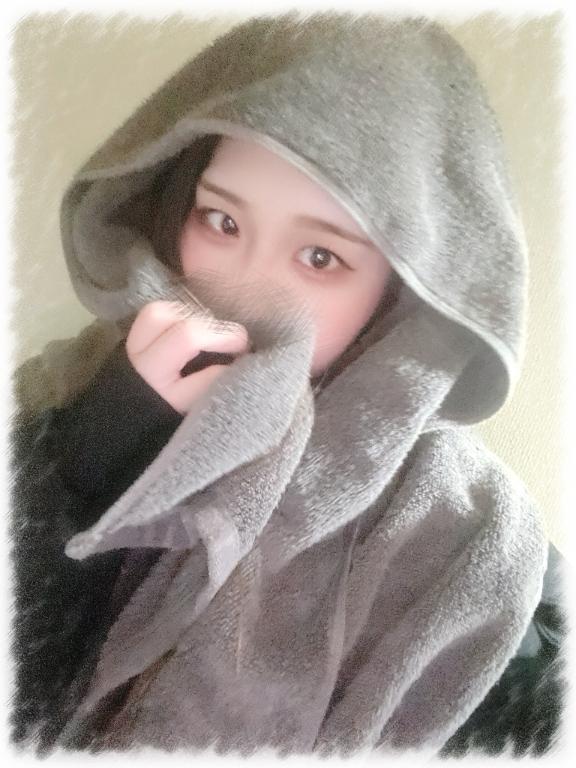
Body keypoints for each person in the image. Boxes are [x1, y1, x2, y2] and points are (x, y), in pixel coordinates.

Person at [8, 10, 566, 759]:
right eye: (221, 221)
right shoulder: (68, 387)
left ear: (400, 295)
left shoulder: (464, 544)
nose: (244, 291)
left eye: (320, 258)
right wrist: (96, 444)